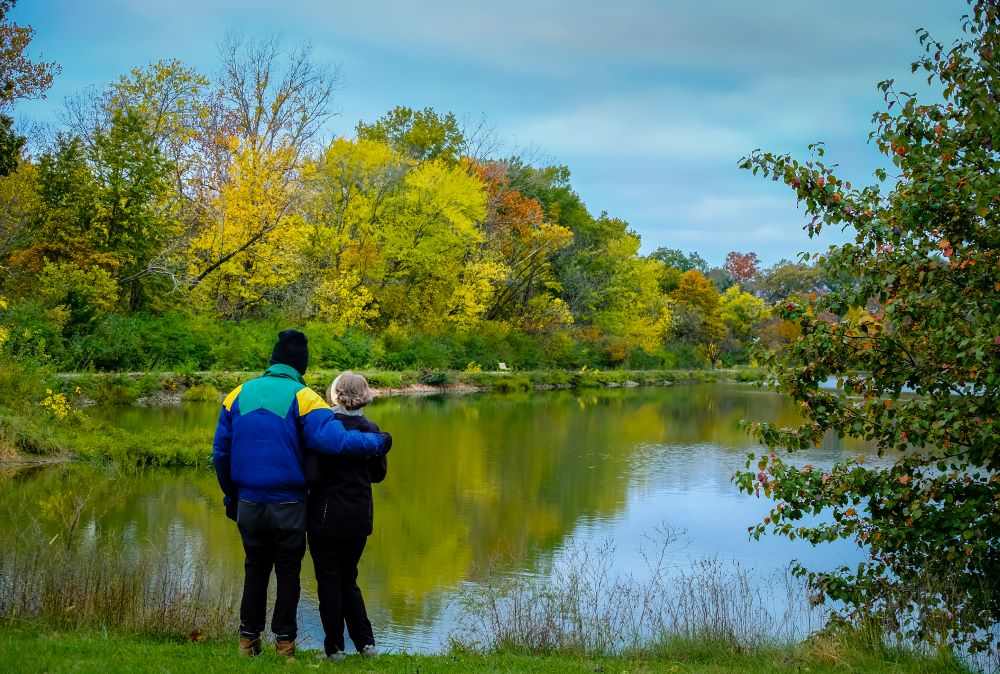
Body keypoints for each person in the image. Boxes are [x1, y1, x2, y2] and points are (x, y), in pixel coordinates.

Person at [212, 331, 390, 662]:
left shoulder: (236, 394)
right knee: (288, 573)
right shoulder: (306, 397)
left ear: (272, 360)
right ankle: (285, 646)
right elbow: (339, 442)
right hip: (289, 505)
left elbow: (220, 455)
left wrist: (231, 495)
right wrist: (380, 442)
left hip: (249, 502)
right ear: (301, 365)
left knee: (255, 570)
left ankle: (247, 643)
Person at [304, 371, 386, 661]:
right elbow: (378, 475)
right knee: (348, 579)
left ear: (335, 395)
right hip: (359, 517)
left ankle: (335, 649)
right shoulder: (372, 428)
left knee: (328, 580)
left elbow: (311, 476)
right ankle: (366, 644)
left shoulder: (324, 429)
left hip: (325, 518)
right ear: (364, 395)